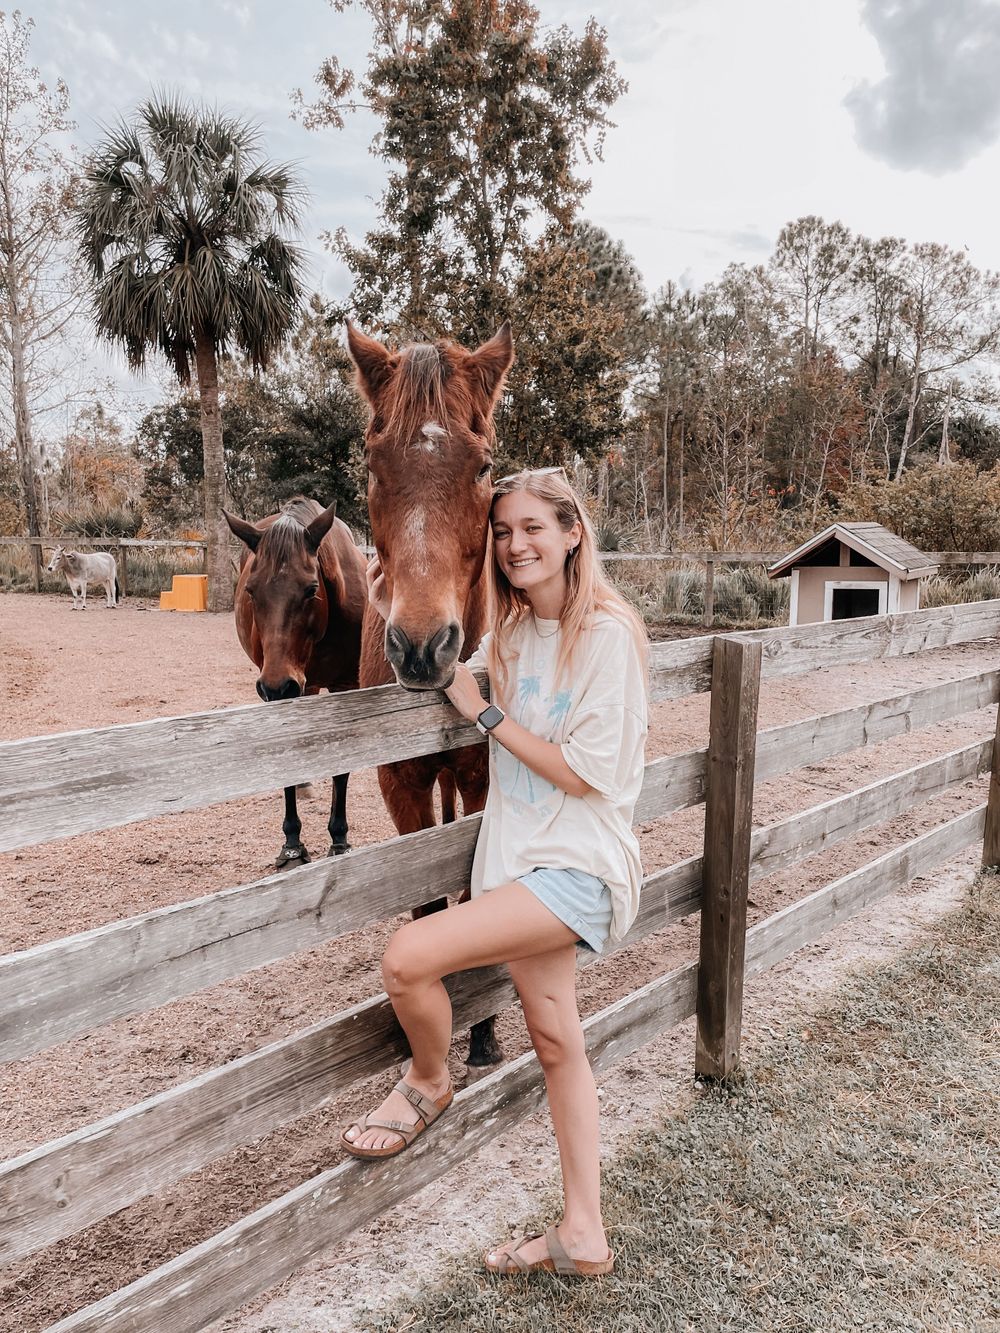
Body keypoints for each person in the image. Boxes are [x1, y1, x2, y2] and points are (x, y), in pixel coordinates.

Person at [341, 468, 649, 1278]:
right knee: (556, 1040)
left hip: (575, 867)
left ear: (573, 533)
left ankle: (428, 1079)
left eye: (534, 528)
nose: (515, 545)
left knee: (407, 958)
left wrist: (486, 714)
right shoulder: (510, 638)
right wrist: (392, 601)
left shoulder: (608, 635)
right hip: (523, 867)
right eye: (503, 531)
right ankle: (583, 1234)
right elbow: (440, 663)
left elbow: (585, 772)